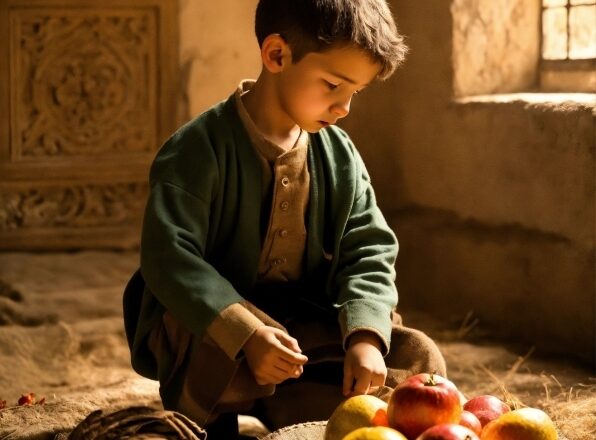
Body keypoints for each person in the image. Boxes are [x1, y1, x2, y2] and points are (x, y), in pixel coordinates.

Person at [123, 0, 447, 438]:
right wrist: (247, 333)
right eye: (333, 85)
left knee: (414, 355)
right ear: (277, 55)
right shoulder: (196, 150)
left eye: (355, 92)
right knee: (195, 335)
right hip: (217, 332)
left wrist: (364, 338)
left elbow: (369, 247)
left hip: (302, 338)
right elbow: (169, 258)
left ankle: (299, 406)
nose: (344, 108)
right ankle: (218, 418)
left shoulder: (340, 154)